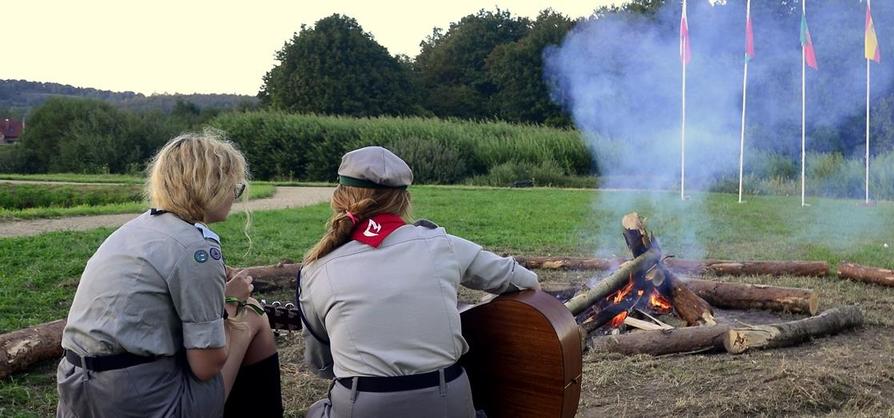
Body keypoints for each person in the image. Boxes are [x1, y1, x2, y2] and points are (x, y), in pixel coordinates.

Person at [299, 146, 541, 418]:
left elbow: (321, 364)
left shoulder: (316, 269)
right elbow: (524, 281)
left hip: (363, 404)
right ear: (404, 199)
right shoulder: (443, 244)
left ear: (340, 197)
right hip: (448, 402)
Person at [56, 129, 283, 418]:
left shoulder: (133, 231)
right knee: (252, 314)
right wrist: (229, 304)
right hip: (140, 402)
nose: (234, 196)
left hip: (78, 392)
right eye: (233, 186)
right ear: (210, 184)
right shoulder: (196, 248)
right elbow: (206, 366)